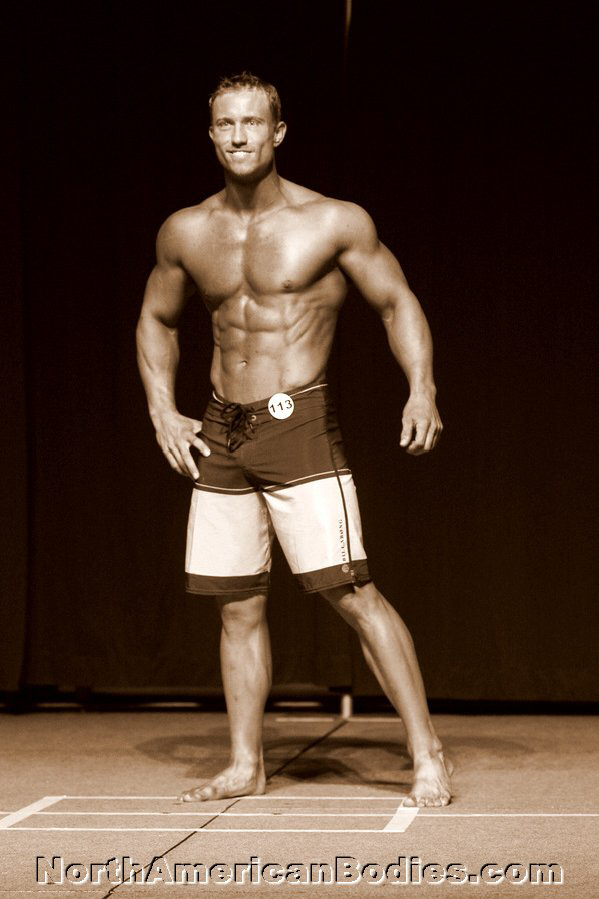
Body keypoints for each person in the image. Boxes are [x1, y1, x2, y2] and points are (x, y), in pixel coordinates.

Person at [136, 72, 452, 807]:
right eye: (226, 124)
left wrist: (422, 388)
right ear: (210, 134)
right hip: (220, 429)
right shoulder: (186, 231)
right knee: (237, 605)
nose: (239, 135)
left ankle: (427, 752)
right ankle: (245, 763)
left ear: (278, 132)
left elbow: (396, 301)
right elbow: (156, 318)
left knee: (350, 591)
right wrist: (162, 409)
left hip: (298, 423)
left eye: (252, 122)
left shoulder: (332, 222)